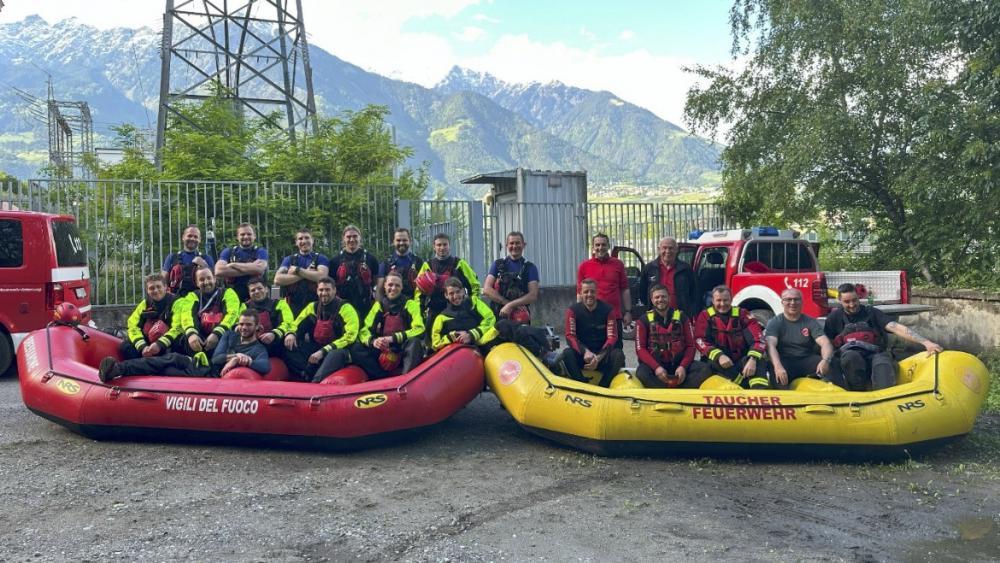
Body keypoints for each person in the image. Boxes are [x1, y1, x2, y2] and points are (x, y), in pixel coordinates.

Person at [823, 283, 943, 391]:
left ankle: (884, 397)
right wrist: (825, 362)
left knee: (882, 363)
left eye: (855, 300)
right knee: (851, 358)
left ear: (859, 297)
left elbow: (895, 327)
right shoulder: (833, 318)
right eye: (847, 302)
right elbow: (826, 343)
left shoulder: (871, 312)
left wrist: (926, 343)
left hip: (876, 354)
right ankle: (857, 392)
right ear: (839, 300)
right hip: (850, 358)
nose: (852, 304)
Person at [99, 310, 269, 381]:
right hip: (202, 366)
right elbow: (217, 359)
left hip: (210, 378)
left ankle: (121, 370)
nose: (244, 328)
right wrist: (235, 357)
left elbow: (264, 366)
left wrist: (241, 361)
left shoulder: (258, 348)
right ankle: (117, 370)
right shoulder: (229, 335)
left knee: (166, 368)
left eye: (248, 325)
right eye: (241, 324)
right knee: (171, 358)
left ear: (257, 327)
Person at [350, 272, 426, 379]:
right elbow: (364, 331)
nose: (393, 288)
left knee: (415, 343)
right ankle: (380, 377)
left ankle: (406, 379)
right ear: (384, 286)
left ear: (402, 287)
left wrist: (392, 338)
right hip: (383, 350)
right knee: (356, 348)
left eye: (397, 285)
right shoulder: (379, 305)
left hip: (402, 349)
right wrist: (374, 342)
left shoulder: (411, 304)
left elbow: (420, 329)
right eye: (390, 285)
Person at [283, 277, 359, 383]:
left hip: (340, 350)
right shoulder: (312, 307)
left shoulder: (346, 308)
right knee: (288, 345)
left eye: (327, 290)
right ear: (317, 291)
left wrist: (324, 351)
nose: (324, 293)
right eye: (321, 290)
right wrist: (291, 334)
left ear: (334, 290)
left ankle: (315, 383)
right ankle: (304, 374)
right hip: (318, 348)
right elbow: (296, 324)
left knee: (334, 354)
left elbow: (350, 336)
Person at [693, 285, 769, 389]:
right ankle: (742, 385)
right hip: (719, 362)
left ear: (731, 299)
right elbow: (699, 340)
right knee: (708, 365)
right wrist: (719, 356)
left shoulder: (743, 314)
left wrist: (753, 359)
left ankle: (761, 396)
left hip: (742, 360)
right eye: (718, 300)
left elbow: (759, 339)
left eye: (726, 300)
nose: (722, 304)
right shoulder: (705, 316)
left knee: (760, 361)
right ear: (713, 301)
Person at [635, 284, 710, 389]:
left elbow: (691, 346)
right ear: (652, 300)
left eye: (664, 296)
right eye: (657, 297)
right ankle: (669, 390)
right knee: (641, 373)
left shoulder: (683, 317)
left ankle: (677, 389)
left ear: (669, 298)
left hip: (678, 365)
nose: (660, 299)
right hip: (656, 366)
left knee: (705, 369)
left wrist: (683, 367)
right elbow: (640, 349)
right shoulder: (643, 320)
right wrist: (656, 368)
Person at [557, 278, 626, 387]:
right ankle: (581, 384)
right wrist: (585, 352)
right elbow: (570, 336)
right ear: (580, 293)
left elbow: (612, 337)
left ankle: (604, 386)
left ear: (597, 292)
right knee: (567, 353)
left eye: (592, 291)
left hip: (602, 356)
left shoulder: (608, 310)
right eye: (586, 292)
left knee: (618, 354)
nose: (589, 295)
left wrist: (598, 358)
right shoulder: (573, 311)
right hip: (584, 356)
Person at [765, 288, 837, 389]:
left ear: (802, 302)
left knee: (832, 363)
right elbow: (770, 345)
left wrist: (825, 361)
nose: (793, 303)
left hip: (806, 359)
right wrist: (777, 367)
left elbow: (826, 343)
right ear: (782, 302)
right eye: (788, 300)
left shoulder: (810, 322)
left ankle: (842, 397)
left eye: (796, 299)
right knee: (779, 382)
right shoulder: (775, 322)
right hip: (784, 362)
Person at [576, 233, 631, 346]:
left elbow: (624, 289)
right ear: (593, 247)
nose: (600, 248)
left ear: (608, 246)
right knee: (592, 349)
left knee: (616, 351)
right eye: (597, 245)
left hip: (614, 316)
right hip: (591, 317)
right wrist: (579, 314)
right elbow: (580, 293)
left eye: (603, 245)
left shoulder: (618, 264)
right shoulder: (584, 266)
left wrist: (628, 312)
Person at [179, 268, 242, 365]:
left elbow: (232, 314)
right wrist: (191, 334)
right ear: (196, 283)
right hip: (199, 339)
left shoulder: (228, 293)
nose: (206, 282)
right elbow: (186, 315)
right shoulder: (191, 296)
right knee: (184, 337)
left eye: (209, 278)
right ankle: (197, 364)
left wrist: (217, 333)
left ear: (215, 279)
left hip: (221, 337)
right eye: (201, 279)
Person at [415, 233, 480, 327]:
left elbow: (475, 285)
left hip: (457, 309)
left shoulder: (459, 264)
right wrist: (420, 311)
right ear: (434, 247)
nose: (442, 247)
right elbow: (418, 292)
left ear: (449, 246)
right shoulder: (427, 266)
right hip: (434, 310)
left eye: (445, 244)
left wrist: (472, 305)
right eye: (439, 245)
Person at [121, 274, 185, 360]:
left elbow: (178, 327)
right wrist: (142, 346)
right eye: (151, 288)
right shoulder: (145, 304)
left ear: (165, 287)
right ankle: (141, 369)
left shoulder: (177, 302)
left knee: (180, 342)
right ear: (147, 290)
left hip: (168, 344)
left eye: (158, 287)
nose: (155, 290)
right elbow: (132, 326)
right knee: (126, 346)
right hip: (147, 346)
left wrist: (160, 344)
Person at [482, 231, 540, 324]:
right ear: (506, 245)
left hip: (520, 316)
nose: (514, 246)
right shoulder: (497, 264)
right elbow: (486, 289)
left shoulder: (530, 267)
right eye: (511, 243)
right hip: (497, 314)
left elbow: (533, 295)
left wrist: (511, 306)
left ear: (524, 245)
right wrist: (506, 303)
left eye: (518, 243)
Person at [430, 278, 498, 352]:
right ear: (446, 295)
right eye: (451, 293)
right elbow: (435, 344)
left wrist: (471, 335)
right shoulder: (441, 318)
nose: (455, 296)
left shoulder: (474, 303)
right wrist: (453, 337)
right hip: (457, 353)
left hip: (481, 344)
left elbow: (490, 318)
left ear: (463, 291)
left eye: (458, 292)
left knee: (503, 325)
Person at [638, 237, 700, 319]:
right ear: (659, 249)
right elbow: (642, 292)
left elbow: (694, 293)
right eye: (664, 248)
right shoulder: (649, 269)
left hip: (679, 314)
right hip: (655, 316)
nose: (667, 251)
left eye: (671, 248)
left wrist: (691, 312)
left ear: (677, 250)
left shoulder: (685, 269)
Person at [328, 225, 380, 321]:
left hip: (365, 305)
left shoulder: (371, 259)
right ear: (343, 239)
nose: (352, 239)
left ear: (360, 238)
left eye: (355, 236)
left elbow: (377, 285)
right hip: (342, 307)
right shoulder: (335, 261)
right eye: (348, 237)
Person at [274, 228, 330, 317]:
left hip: (316, 305)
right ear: (296, 242)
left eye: (307, 238)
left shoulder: (321, 258)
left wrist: (297, 270)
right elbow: (277, 280)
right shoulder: (289, 259)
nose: (304, 241)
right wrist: (307, 273)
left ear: (312, 240)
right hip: (292, 305)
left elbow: (322, 277)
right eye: (300, 239)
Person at [241, 276, 295, 357]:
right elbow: (237, 325)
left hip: (275, 345)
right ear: (249, 293)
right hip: (250, 346)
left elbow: (288, 322)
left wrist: (274, 334)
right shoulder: (244, 306)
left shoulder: (279, 303)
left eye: (259, 288)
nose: (256, 292)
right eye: (253, 290)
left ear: (266, 289)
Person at [214, 222, 268, 302]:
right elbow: (219, 271)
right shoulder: (228, 251)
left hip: (256, 296)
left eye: (249, 234)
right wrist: (251, 268)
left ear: (254, 236)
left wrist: (233, 265)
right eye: (242, 234)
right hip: (233, 296)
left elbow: (259, 269)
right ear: (237, 237)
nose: (246, 237)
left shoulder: (261, 251)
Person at [161, 224, 214, 297]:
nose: (192, 238)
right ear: (183, 237)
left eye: (196, 237)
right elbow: (162, 282)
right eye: (189, 236)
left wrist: (205, 266)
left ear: (200, 239)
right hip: (176, 300)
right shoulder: (172, 258)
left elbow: (214, 283)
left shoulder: (206, 258)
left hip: (200, 301)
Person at [376, 227, 424, 300]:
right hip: (391, 307)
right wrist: (379, 309)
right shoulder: (385, 263)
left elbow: (424, 289)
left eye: (404, 240)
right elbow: (379, 291)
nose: (401, 243)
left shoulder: (418, 262)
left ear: (410, 241)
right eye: (398, 240)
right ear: (393, 242)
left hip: (413, 307)